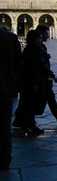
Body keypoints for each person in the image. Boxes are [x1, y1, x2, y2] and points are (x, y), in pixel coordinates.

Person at [14, 25, 57, 130]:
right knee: (31, 102)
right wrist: (50, 76)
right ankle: (27, 123)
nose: (46, 36)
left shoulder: (36, 47)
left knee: (48, 98)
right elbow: (39, 65)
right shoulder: (34, 49)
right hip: (37, 80)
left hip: (41, 79)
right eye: (44, 34)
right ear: (36, 37)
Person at [0, 27, 22, 169]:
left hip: (5, 88)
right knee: (3, 126)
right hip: (4, 89)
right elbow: (19, 65)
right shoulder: (10, 38)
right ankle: (4, 159)